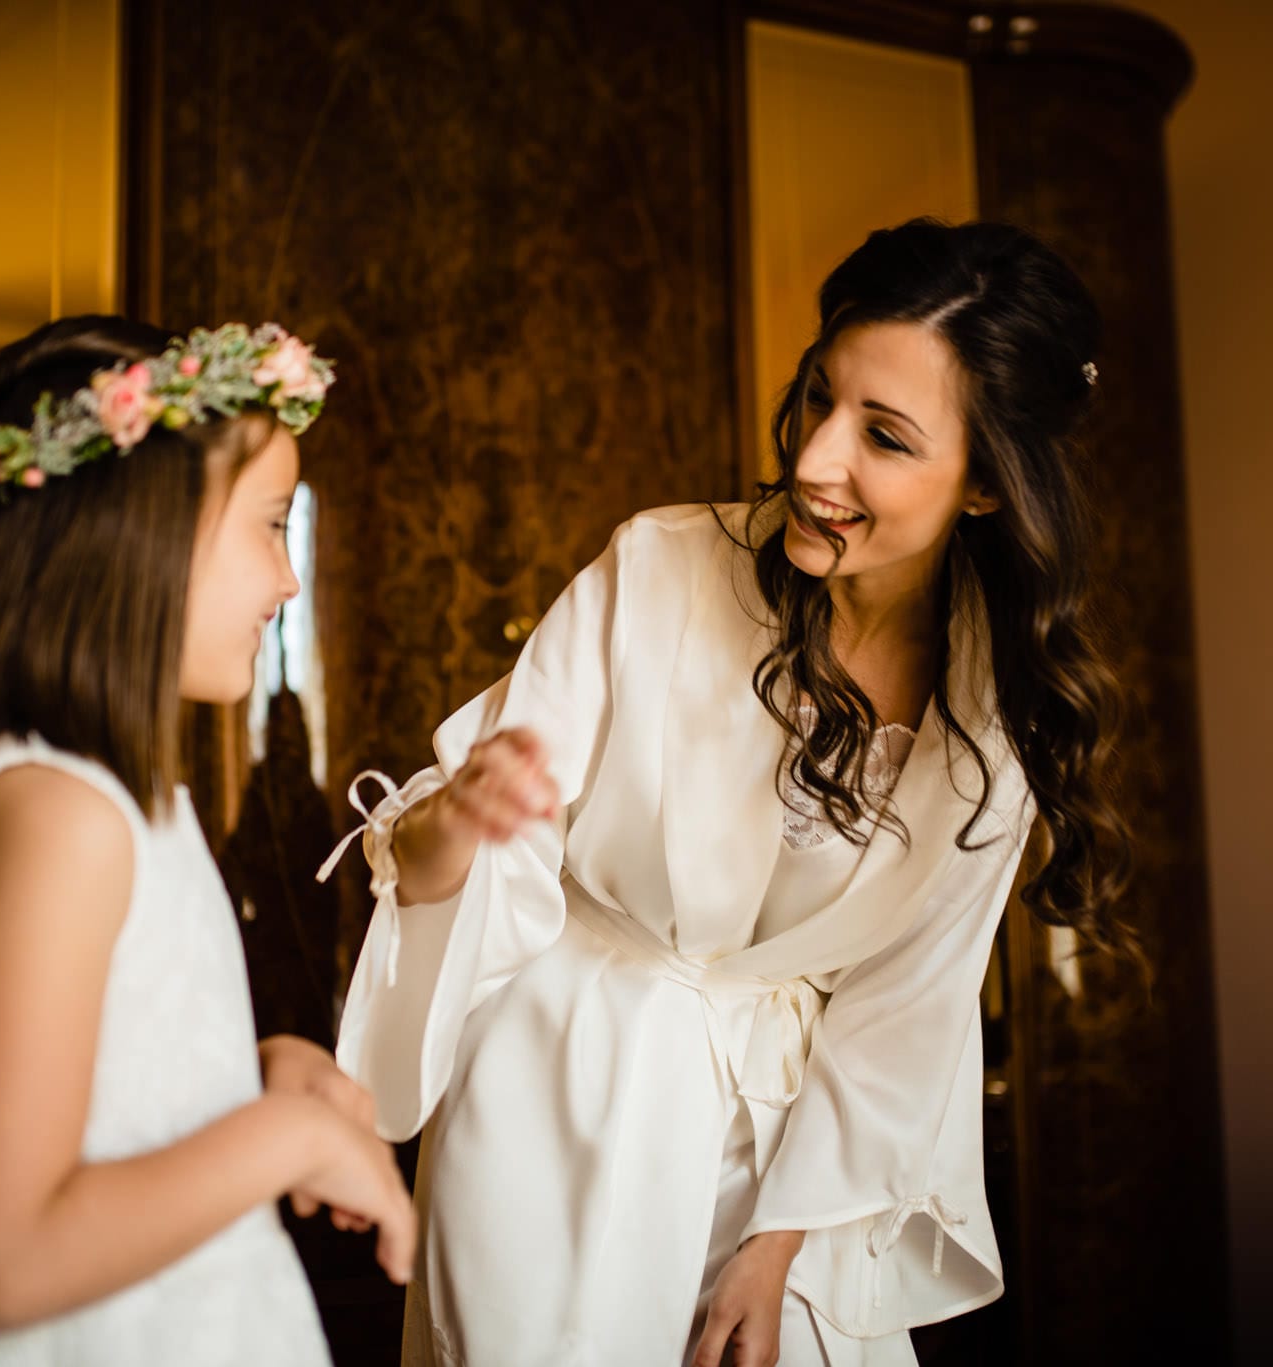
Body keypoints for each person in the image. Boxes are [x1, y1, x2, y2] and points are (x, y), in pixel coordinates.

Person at [328, 220, 1134, 1366]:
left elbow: (900, 1013)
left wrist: (778, 1247)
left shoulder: (987, 731)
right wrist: (454, 820)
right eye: (817, 397)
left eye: (885, 437)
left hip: (782, 1148)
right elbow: (465, 864)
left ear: (987, 490)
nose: (814, 459)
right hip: (553, 1103)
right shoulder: (654, 568)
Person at [0, 316, 414, 1365]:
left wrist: (254, 1077)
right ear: (146, 530)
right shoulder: (56, 815)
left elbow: (111, 1082)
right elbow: (2, 1257)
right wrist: (286, 1139)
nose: (287, 580)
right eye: (268, 525)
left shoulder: (127, 802)